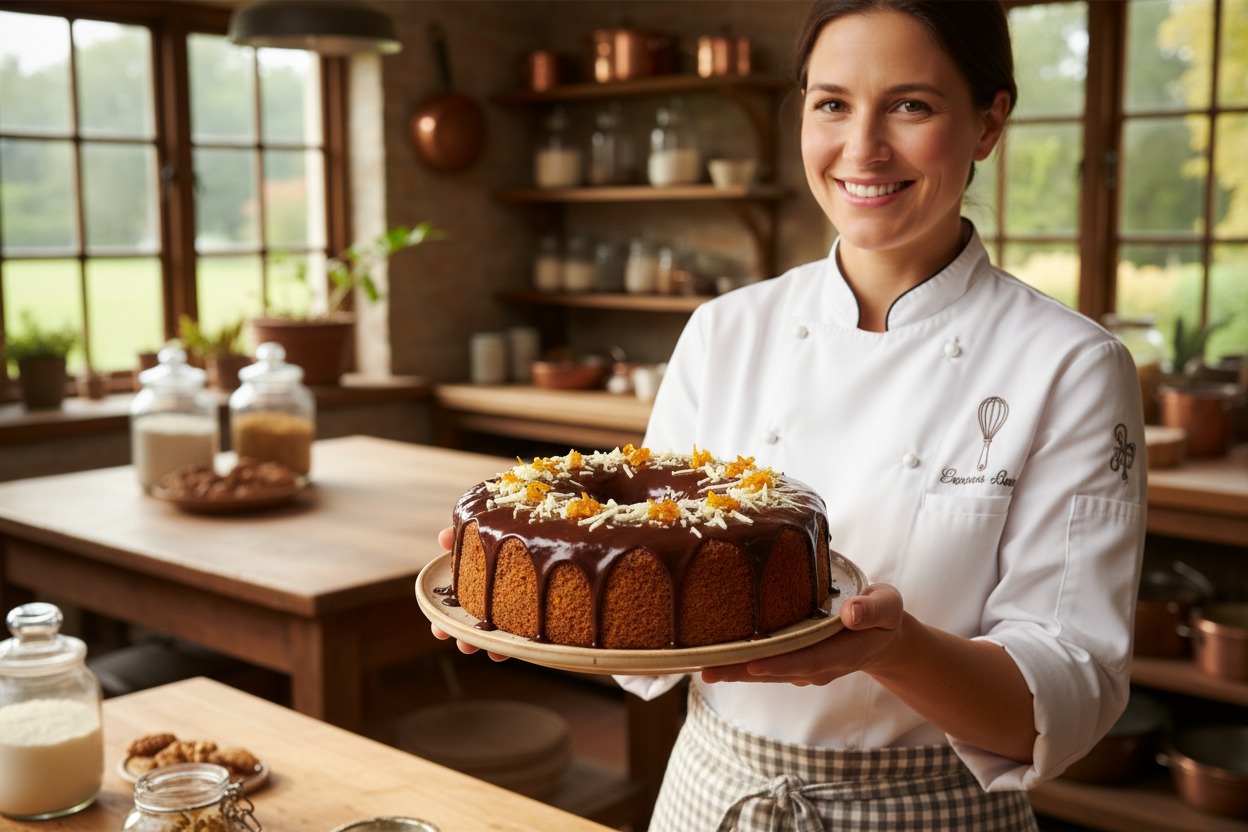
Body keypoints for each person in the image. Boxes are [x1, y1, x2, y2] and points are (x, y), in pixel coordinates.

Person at [434, 1, 1147, 829]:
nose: (863, 148)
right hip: (714, 794)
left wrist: (897, 648)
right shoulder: (724, 330)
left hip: (929, 811)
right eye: (832, 103)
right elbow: (643, 594)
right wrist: (523, 600)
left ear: (990, 123)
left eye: (911, 105)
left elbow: (1067, 692)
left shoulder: (1071, 365)